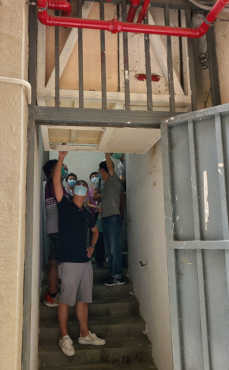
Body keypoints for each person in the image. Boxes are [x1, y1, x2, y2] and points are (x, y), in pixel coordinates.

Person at [53, 151, 105, 357]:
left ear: (86, 193)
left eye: (84, 186)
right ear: (74, 190)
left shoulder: (87, 213)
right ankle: (64, 337)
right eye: (79, 185)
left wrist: (92, 246)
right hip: (68, 261)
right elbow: (56, 183)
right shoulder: (64, 205)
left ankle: (84, 334)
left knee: (83, 299)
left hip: (85, 262)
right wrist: (60, 159)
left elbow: (95, 230)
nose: (82, 187)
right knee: (65, 299)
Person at [99, 153, 125, 286]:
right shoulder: (105, 185)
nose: (100, 175)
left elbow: (110, 166)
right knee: (109, 250)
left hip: (113, 218)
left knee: (115, 248)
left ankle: (118, 276)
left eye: (101, 172)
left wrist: (107, 154)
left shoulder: (113, 179)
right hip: (106, 219)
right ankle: (112, 275)